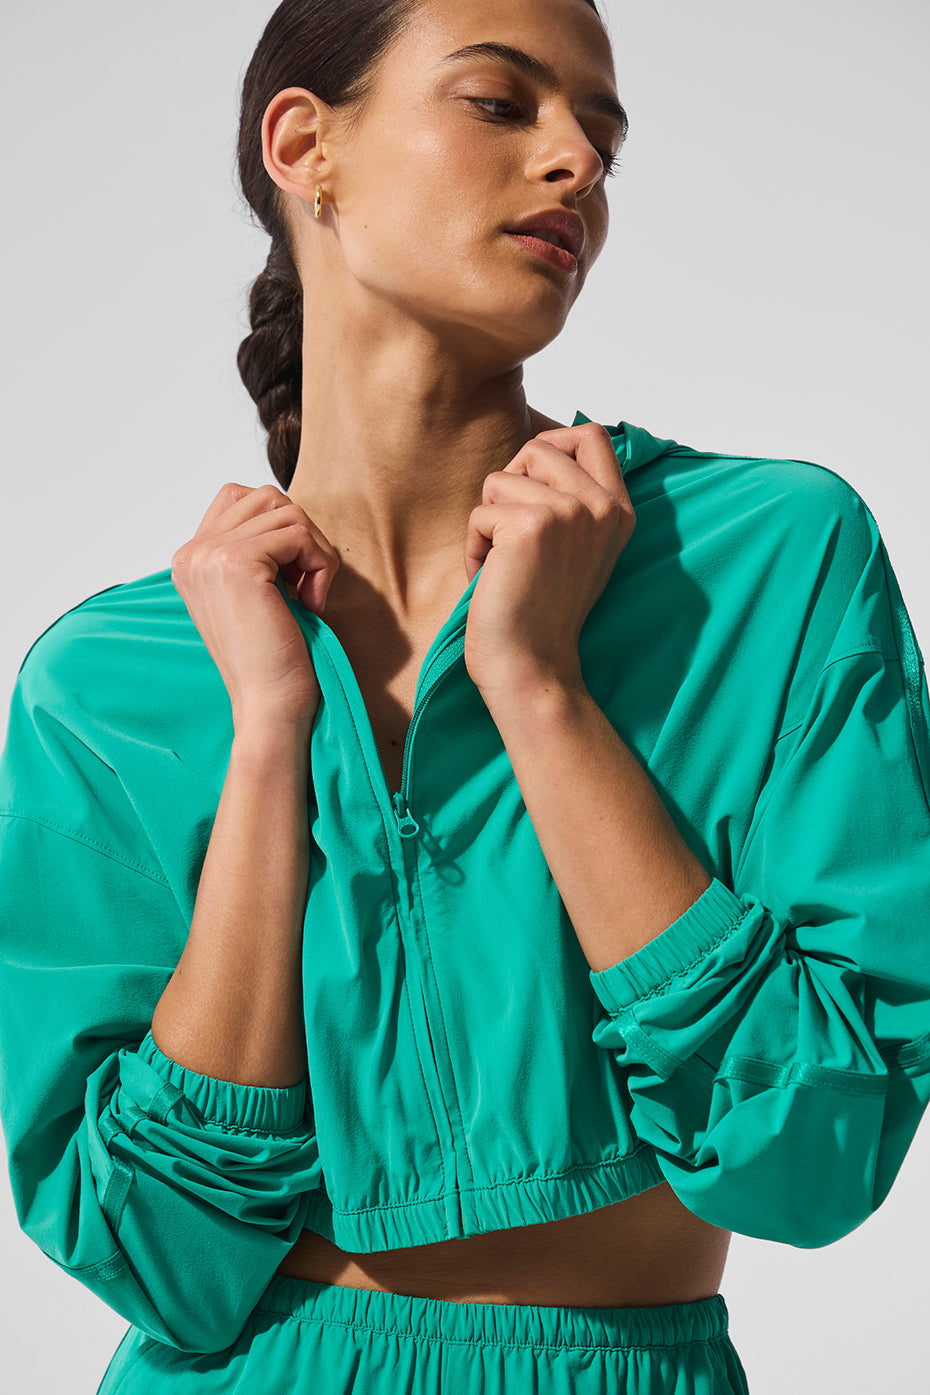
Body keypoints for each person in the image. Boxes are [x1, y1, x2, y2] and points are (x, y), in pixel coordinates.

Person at [1, 0, 928, 1391]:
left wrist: (537, 685)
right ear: (304, 148)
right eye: (501, 102)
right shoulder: (111, 681)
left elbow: (814, 1162)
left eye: (602, 136)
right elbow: (163, 1264)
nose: (577, 162)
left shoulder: (764, 560)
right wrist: (271, 739)